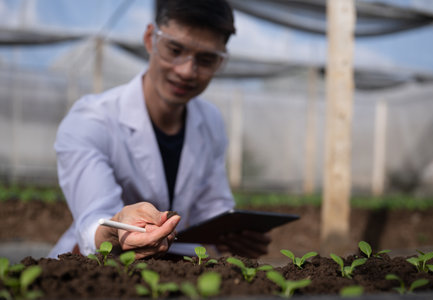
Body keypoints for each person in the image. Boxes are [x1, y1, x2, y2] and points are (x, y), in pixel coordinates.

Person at [49, 0, 271, 260]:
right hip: (99, 270)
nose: (187, 71)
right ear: (150, 39)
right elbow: (93, 219)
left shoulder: (210, 121)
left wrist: (231, 233)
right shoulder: (92, 120)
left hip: (175, 267)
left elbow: (212, 205)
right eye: (175, 50)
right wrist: (117, 226)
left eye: (207, 59)